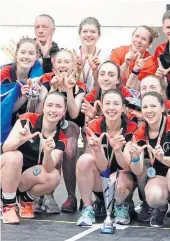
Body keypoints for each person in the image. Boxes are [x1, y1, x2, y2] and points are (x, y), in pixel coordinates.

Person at [0, 91, 67, 224]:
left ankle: (25, 200)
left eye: (58, 106)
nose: (53, 110)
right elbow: (5, 148)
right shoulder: (27, 119)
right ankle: (8, 206)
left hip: (25, 178)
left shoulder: (61, 138)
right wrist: (20, 140)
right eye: (50, 105)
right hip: (6, 171)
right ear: (43, 107)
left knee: (54, 176)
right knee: (15, 156)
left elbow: (48, 168)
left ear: (64, 111)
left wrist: (48, 151)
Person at [76, 89, 138, 226]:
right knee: (84, 160)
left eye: (116, 104)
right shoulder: (93, 126)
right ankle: (87, 208)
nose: (111, 108)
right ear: (102, 107)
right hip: (102, 178)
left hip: (122, 180)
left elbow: (127, 165)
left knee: (121, 176)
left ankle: (120, 205)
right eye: (107, 103)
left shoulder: (133, 128)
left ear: (123, 108)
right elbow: (103, 166)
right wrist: (98, 150)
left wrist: (117, 151)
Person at [128, 92, 170, 229]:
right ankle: (160, 208)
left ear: (162, 107)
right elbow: (136, 170)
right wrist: (136, 158)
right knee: (154, 196)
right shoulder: (139, 133)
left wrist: (162, 158)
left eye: (153, 106)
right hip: (159, 177)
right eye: (145, 107)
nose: (149, 111)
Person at [39, 49, 86, 213]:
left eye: (67, 62)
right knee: (54, 154)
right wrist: (53, 88)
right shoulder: (45, 81)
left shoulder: (79, 86)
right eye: (60, 61)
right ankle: (47, 195)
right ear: (54, 64)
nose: (63, 65)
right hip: (48, 125)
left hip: (69, 125)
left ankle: (71, 196)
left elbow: (73, 113)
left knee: (71, 151)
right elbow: (40, 110)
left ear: (73, 65)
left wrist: (68, 90)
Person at [0, 38, 42, 127]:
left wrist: (31, 96)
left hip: (21, 124)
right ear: (16, 55)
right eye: (23, 52)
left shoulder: (37, 78)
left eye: (31, 53)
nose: (26, 56)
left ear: (36, 57)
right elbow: (3, 111)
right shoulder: (3, 75)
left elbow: (33, 112)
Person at [110, 25, 159, 90]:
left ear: (149, 45)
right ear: (132, 37)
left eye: (144, 39)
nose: (138, 40)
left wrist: (136, 71)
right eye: (137, 36)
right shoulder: (118, 52)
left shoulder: (151, 62)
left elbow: (136, 89)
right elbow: (111, 79)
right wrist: (126, 64)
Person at [74, 17, 110, 92]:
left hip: (97, 97)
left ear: (99, 35)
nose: (89, 35)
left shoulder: (106, 56)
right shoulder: (72, 54)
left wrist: (95, 71)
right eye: (85, 31)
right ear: (79, 34)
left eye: (93, 32)